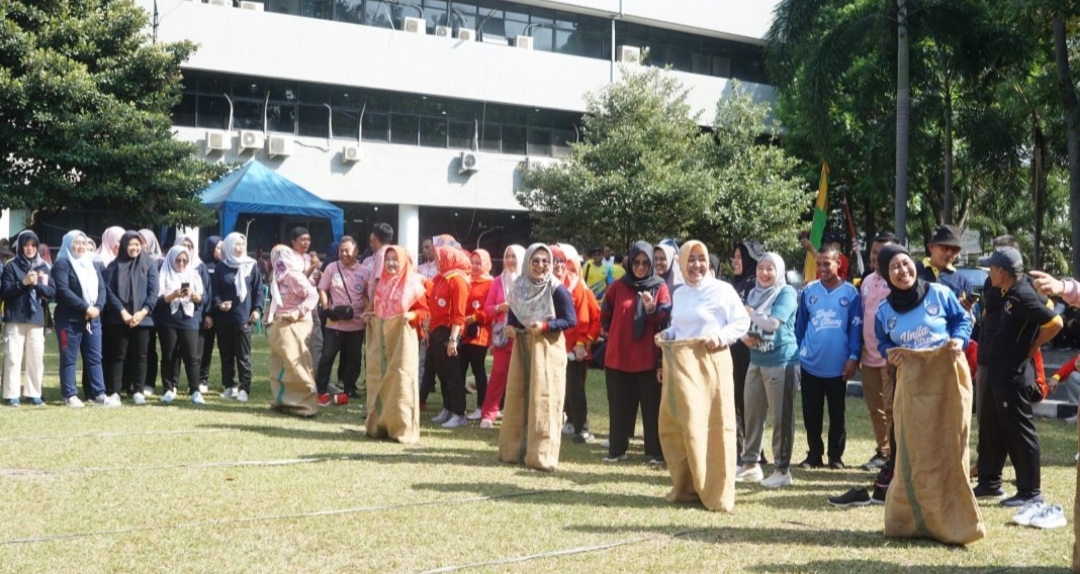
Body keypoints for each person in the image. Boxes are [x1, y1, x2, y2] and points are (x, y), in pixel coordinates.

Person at [654, 240, 749, 511]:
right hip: (683, 369)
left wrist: (719, 337)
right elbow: (679, 326)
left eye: (701, 259)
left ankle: (717, 493)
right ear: (682, 263)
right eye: (691, 260)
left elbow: (741, 322)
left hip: (712, 366)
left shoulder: (723, 290)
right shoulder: (681, 293)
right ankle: (688, 488)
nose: (697, 265)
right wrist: (667, 334)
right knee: (685, 427)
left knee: (715, 427)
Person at [974, 247, 1062, 507]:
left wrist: (1033, 346)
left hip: (1014, 375)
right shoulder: (1006, 292)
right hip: (997, 372)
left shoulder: (1023, 295)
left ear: (1002, 272)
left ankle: (1030, 491)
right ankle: (989, 482)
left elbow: (1055, 322)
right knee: (992, 427)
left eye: (991, 268)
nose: (989, 273)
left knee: (1019, 431)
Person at [496, 243, 577, 471]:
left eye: (545, 261)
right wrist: (511, 328)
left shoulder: (556, 289)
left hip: (548, 350)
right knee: (519, 397)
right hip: (523, 349)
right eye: (536, 261)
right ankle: (514, 451)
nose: (541, 266)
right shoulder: (520, 287)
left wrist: (545, 325)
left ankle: (541, 455)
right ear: (528, 262)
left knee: (544, 400)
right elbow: (514, 316)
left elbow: (570, 320)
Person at [601, 241, 672, 464]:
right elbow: (606, 315)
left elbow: (665, 318)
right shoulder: (617, 286)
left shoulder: (659, 287)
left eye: (645, 263)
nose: (640, 267)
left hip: (648, 358)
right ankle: (617, 449)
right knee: (618, 405)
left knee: (652, 407)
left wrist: (651, 309)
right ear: (629, 262)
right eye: (636, 262)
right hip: (618, 356)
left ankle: (654, 452)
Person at [794, 248, 862, 470]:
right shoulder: (809, 291)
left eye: (827, 264)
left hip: (838, 366)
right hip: (811, 363)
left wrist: (853, 357)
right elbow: (800, 326)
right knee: (811, 413)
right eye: (819, 264)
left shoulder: (851, 294)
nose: (822, 269)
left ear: (838, 263)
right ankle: (814, 454)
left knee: (837, 412)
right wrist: (800, 351)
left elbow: (855, 329)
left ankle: (836, 456)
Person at [738, 252, 799, 488]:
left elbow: (773, 324)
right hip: (756, 360)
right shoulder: (753, 293)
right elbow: (743, 324)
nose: (764, 273)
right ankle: (750, 465)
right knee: (752, 414)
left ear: (779, 271)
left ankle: (782, 470)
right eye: (761, 267)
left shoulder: (786, 293)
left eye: (770, 268)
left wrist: (752, 314)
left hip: (781, 362)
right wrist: (745, 337)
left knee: (781, 418)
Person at [364, 245, 429, 443]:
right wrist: (371, 315)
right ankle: (378, 425)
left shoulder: (413, 286)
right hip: (381, 343)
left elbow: (425, 311)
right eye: (388, 259)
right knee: (378, 378)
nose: (391, 263)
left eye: (395, 259)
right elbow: (382, 311)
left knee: (401, 381)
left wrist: (412, 315)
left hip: (402, 343)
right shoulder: (381, 285)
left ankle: (401, 427)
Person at [52, 230, 116, 407]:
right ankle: (69, 395)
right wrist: (85, 307)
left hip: (93, 320)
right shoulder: (62, 264)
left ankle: (99, 394)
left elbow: (102, 290)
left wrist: (97, 308)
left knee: (95, 358)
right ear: (68, 244)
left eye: (83, 243)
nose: (80, 246)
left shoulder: (92, 265)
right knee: (69, 358)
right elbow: (63, 291)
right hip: (69, 321)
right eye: (76, 243)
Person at [551, 244, 601, 443]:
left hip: (574, 347)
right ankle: (570, 420)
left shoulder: (576, 286)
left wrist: (582, 342)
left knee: (575, 388)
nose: (558, 266)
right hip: (555, 345)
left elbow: (586, 319)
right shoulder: (546, 284)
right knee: (561, 387)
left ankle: (583, 427)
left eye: (561, 261)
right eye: (554, 261)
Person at [103, 230, 159, 405]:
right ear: (124, 245)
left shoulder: (149, 264)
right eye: (131, 244)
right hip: (119, 319)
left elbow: (153, 292)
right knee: (118, 355)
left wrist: (142, 313)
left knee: (141, 356)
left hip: (143, 319)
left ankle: (138, 391)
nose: (134, 248)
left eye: (137, 244)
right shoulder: (113, 266)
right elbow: (108, 292)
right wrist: (123, 313)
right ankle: (115, 392)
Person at [857, 232, 898, 472]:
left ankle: (895, 454)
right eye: (874, 251)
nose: (876, 257)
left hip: (890, 357)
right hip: (868, 356)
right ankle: (883, 452)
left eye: (881, 252)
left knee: (893, 406)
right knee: (876, 407)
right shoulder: (866, 281)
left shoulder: (897, 282)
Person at [1, 231, 55, 407]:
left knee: (36, 358)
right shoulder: (11, 266)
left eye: (33, 245)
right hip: (15, 317)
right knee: (13, 357)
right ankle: (11, 394)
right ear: (20, 247)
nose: (30, 248)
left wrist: (36, 284)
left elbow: (51, 292)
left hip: (36, 318)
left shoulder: (43, 266)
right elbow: (5, 292)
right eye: (26, 245)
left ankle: (34, 393)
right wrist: (23, 283)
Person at [266, 244, 320, 417]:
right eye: (276, 257)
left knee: (297, 362)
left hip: (296, 323)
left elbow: (313, 295)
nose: (279, 261)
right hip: (280, 324)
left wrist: (297, 312)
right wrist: (268, 316)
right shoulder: (276, 276)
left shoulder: (294, 276)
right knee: (280, 364)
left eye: (282, 256)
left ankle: (305, 405)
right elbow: (275, 299)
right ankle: (283, 401)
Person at [316, 236, 369, 405]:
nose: (343, 254)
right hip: (335, 323)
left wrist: (366, 314)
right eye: (341, 250)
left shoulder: (364, 271)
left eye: (347, 250)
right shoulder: (332, 267)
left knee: (354, 358)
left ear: (356, 251)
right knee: (327, 356)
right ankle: (322, 388)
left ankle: (350, 388)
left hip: (356, 325)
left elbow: (368, 296)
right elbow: (322, 289)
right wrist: (326, 309)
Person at [478, 245, 525, 428]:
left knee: (521, 377)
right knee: (498, 375)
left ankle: (517, 414)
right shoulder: (497, 281)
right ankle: (489, 414)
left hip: (522, 335)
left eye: (514, 256)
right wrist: (500, 308)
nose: (511, 260)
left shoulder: (527, 281)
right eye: (508, 256)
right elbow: (487, 308)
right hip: (503, 337)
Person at [213, 233, 261, 403]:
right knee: (226, 354)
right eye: (236, 244)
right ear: (229, 246)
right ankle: (229, 386)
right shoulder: (221, 267)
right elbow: (215, 291)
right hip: (224, 318)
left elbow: (258, 291)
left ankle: (244, 388)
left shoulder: (251, 265)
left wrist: (257, 309)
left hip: (243, 317)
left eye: (242, 244)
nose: (240, 247)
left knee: (243, 355)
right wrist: (219, 304)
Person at [154, 245, 206, 404]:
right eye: (178, 260)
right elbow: (158, 300)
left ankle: (195, 390)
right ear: (171, 259)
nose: (182, 263)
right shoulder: (163, 274)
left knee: (191, 356)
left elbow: (202, 300)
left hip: (189, 319)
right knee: (169, 356)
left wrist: (193, 294)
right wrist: (173, 295)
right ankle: (168, 389)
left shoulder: (194, 274)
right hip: (168, 320)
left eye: (185, 260)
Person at [426, 245, 471, 428]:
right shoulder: (439, 278)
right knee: (442, 372)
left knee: (453, 373)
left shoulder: (458, 281)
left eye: (438, 257)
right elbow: (432, 308)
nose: (435, 260)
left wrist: (453, 338)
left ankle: (459, 413)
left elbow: (459, 314)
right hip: (437, 330)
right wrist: (428, 331)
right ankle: (448, 407)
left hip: (449, 331)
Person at [730, 240, 766, 463]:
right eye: (734, 257)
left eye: (739, 257)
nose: (735, 261)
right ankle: (740, 447)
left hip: (750, 353)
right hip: (733, 352)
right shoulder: (736, 283)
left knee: (750, 403)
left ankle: (756, 451)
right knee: (736, 401)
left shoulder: (755, 284)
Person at [461, 249, 494, 420]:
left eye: (478, 263)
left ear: (486, 264)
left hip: (479, 335)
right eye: (472, 262)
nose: (474, 266)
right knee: (460, 370)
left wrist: (474, 317)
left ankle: (481, 406)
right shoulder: (467, 281)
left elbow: (490, 311)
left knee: (478, 370)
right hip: (464, 332)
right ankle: (459, 408)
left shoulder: (490, 283)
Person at [198, 236, 223, 392]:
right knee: (204, 348)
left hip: (222, 314)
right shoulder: (201, 267)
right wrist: (208, 313)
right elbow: (206, 292)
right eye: (218, 248)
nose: (221, 251)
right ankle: (201, 379)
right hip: (206, 314)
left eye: (222, 248)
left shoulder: (225, 266)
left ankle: (229, 381)